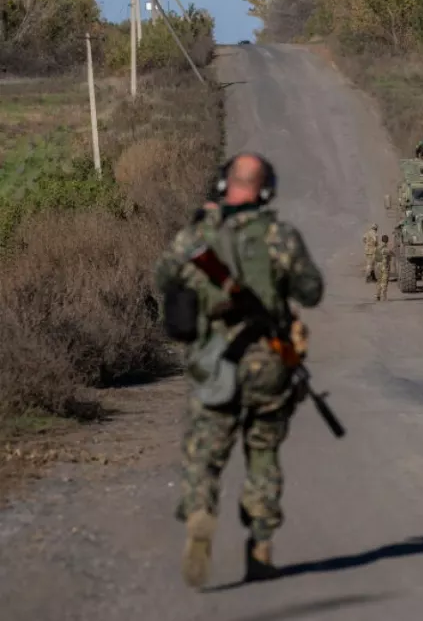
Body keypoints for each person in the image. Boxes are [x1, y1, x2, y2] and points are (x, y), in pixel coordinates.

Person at [152, 153, 324, 589]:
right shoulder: (279, 237)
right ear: (266, 190)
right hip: (269, 362)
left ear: (225, 185)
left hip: (215, 361)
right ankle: (261, 547)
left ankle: (199, 514)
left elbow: (163, 279)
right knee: (263, 453)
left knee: (204, 452)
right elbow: (312, 290)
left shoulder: (196, 236)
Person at [374, 234, 394, 301]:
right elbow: (393, 254)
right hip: (384, 267)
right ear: (387, 241)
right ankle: (384, 296)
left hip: (377, 267)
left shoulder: (377, 248)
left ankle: (377, 295)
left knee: (379, 281)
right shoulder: (386, 249)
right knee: (384, 282)